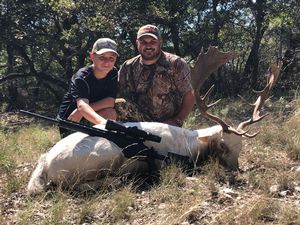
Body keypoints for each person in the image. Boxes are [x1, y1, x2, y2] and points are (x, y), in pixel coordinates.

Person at [116, 24, 195, 127]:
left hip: (167, 126)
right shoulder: (128, 66)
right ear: (137, 43)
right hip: (137, 123)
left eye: (153, 41)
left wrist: (177, 120)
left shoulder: (176, 64)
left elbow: (189, 95)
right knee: (119, 102)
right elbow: (118, 93)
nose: (148, 45)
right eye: (143, 41)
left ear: (160, 43)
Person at [57, 38, 119, 137]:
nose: (107, 62)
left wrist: (80, 112)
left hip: (85, 115)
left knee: (110, 112)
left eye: (111, 58)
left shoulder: (113, 73)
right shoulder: (81, 77)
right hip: (72, 121)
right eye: (102, 57)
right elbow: (82, 105)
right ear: (92, 56)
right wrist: (105, 124)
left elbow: (110, 102)